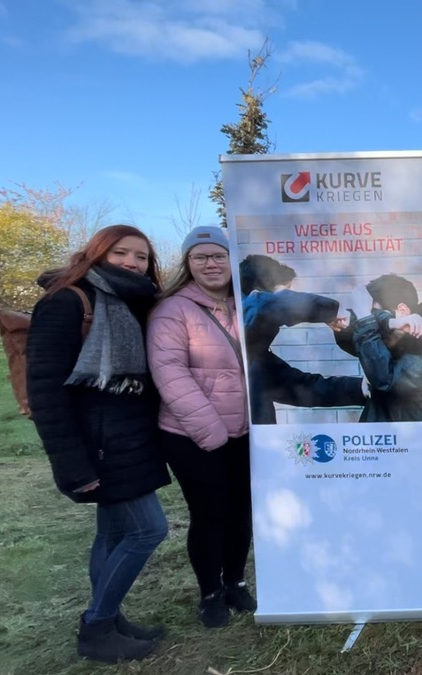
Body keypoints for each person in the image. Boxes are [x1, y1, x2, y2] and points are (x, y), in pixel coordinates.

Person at [26, 224, 171, 663]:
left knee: (113, 532)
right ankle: (96, 628)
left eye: (141, 257)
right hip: (98, 444)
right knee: (148, 529)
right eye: (121, 253)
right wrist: (71, 464)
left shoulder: (133, 301)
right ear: (96, 253)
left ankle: (108, 615)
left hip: (131, 437)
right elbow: (45, 391)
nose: (132, 262)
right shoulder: (67, 301)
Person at [146, 227, 255, 628]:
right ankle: (210, 594)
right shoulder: (173, 310)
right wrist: (211, 431)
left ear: (232, 261)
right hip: (193, 436)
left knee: (241, 512)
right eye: (201, 257)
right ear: (188, 264)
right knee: (210, 515)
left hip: (245, 432)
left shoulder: (244, 306)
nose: (211, 264)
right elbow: (170, 373)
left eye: (218, 256)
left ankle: (236, 583)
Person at [237, 254, 368, 424]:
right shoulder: (245, 313)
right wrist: (333, 312)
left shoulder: (255, 355)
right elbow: (265, 305)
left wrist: (359, 388)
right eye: (285, 292)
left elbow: (301, 387)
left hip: (256, 444)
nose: (290, 297)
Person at [334, 273, 422, 422]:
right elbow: (346, 333)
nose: (371, 325)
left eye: (374, 317)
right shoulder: (387, 344)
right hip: (378, 438)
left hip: (411, 441)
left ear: (402, 311)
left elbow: (384, 379)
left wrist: (365, 318)